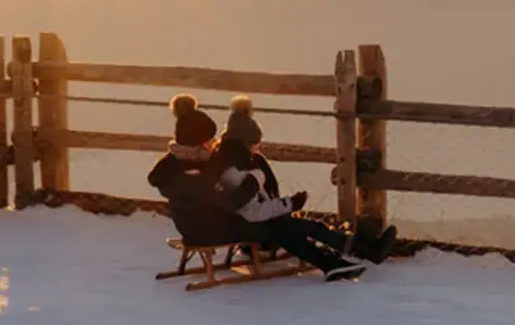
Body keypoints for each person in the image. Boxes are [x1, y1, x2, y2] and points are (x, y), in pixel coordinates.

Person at [148, 94, 366, 280]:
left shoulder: (192, 165)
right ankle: (329, 262)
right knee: (278, 229)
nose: (213, 144)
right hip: (206, 231)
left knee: (282, 224)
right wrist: (253, 181)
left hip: (217, 222)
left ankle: (336, 255)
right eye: (208, 140)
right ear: (195, 143)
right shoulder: (188, 174)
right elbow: (231, 202)